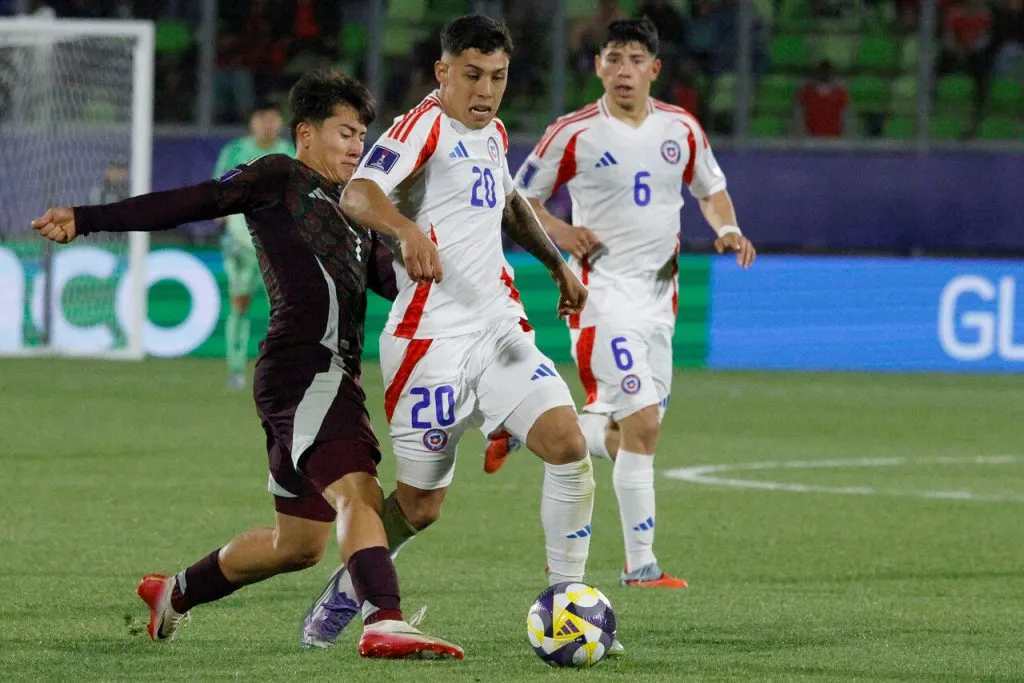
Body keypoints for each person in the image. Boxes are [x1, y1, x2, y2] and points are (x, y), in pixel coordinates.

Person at [31, 69, 462, 661]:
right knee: (359, 494)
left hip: (312, 376)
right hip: (308, 370)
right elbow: (192, 202)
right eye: (345, 132)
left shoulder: (359, 209)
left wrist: (454, 277)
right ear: (305, 134)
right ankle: (383, 619)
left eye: (363, 134)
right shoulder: (280, 176)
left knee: (299, 544)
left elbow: (394, 283)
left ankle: (173, 593)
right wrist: (88, 217)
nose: (357, 146)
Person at [300, 15, 596, 651]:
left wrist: (554, 263)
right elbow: (357, 193)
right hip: (426, 343)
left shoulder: (492, 133)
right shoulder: (422, 126)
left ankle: (568, 602)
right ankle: (352, 585)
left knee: (568, 444)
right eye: (472, 76)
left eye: (498, 77)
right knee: (420, 505)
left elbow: (510, 203)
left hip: (497, 328)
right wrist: (406, 231)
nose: (485, 91)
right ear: (443, 72)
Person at [498, 18, 755, 590]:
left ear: (654, 69)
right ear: (598, 66)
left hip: (660, 301)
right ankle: (641, 565)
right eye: (613, 58)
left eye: (636, 59)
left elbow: (709, 189)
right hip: (600, 297)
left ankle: (527, 425)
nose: (623, 70)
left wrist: (729, 227)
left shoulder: (682, 129)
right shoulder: (574, 132)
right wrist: (561, 233)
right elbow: (517, 199)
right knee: (642, 424)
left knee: (633, 432)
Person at [212, 98, 296, 390]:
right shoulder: (234, 152)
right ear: (252, 122)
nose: (268, 124)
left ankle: (283, 371)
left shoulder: (288, 152)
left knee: (286, 308)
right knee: (240, 304)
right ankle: (235, 369)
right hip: (240, 244)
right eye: (262, 118)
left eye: (273, 118)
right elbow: (218, 193)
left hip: (277, 246)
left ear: (280, 123)